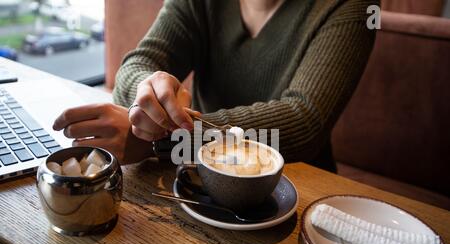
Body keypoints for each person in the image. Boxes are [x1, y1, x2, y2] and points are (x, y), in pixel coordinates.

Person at [53, 0, 378, 171]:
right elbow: (137, 65)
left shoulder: (351, 6)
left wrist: (171, 143)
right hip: (199, 175)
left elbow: (303, 124)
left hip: (296, 186)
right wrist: (149, 95)